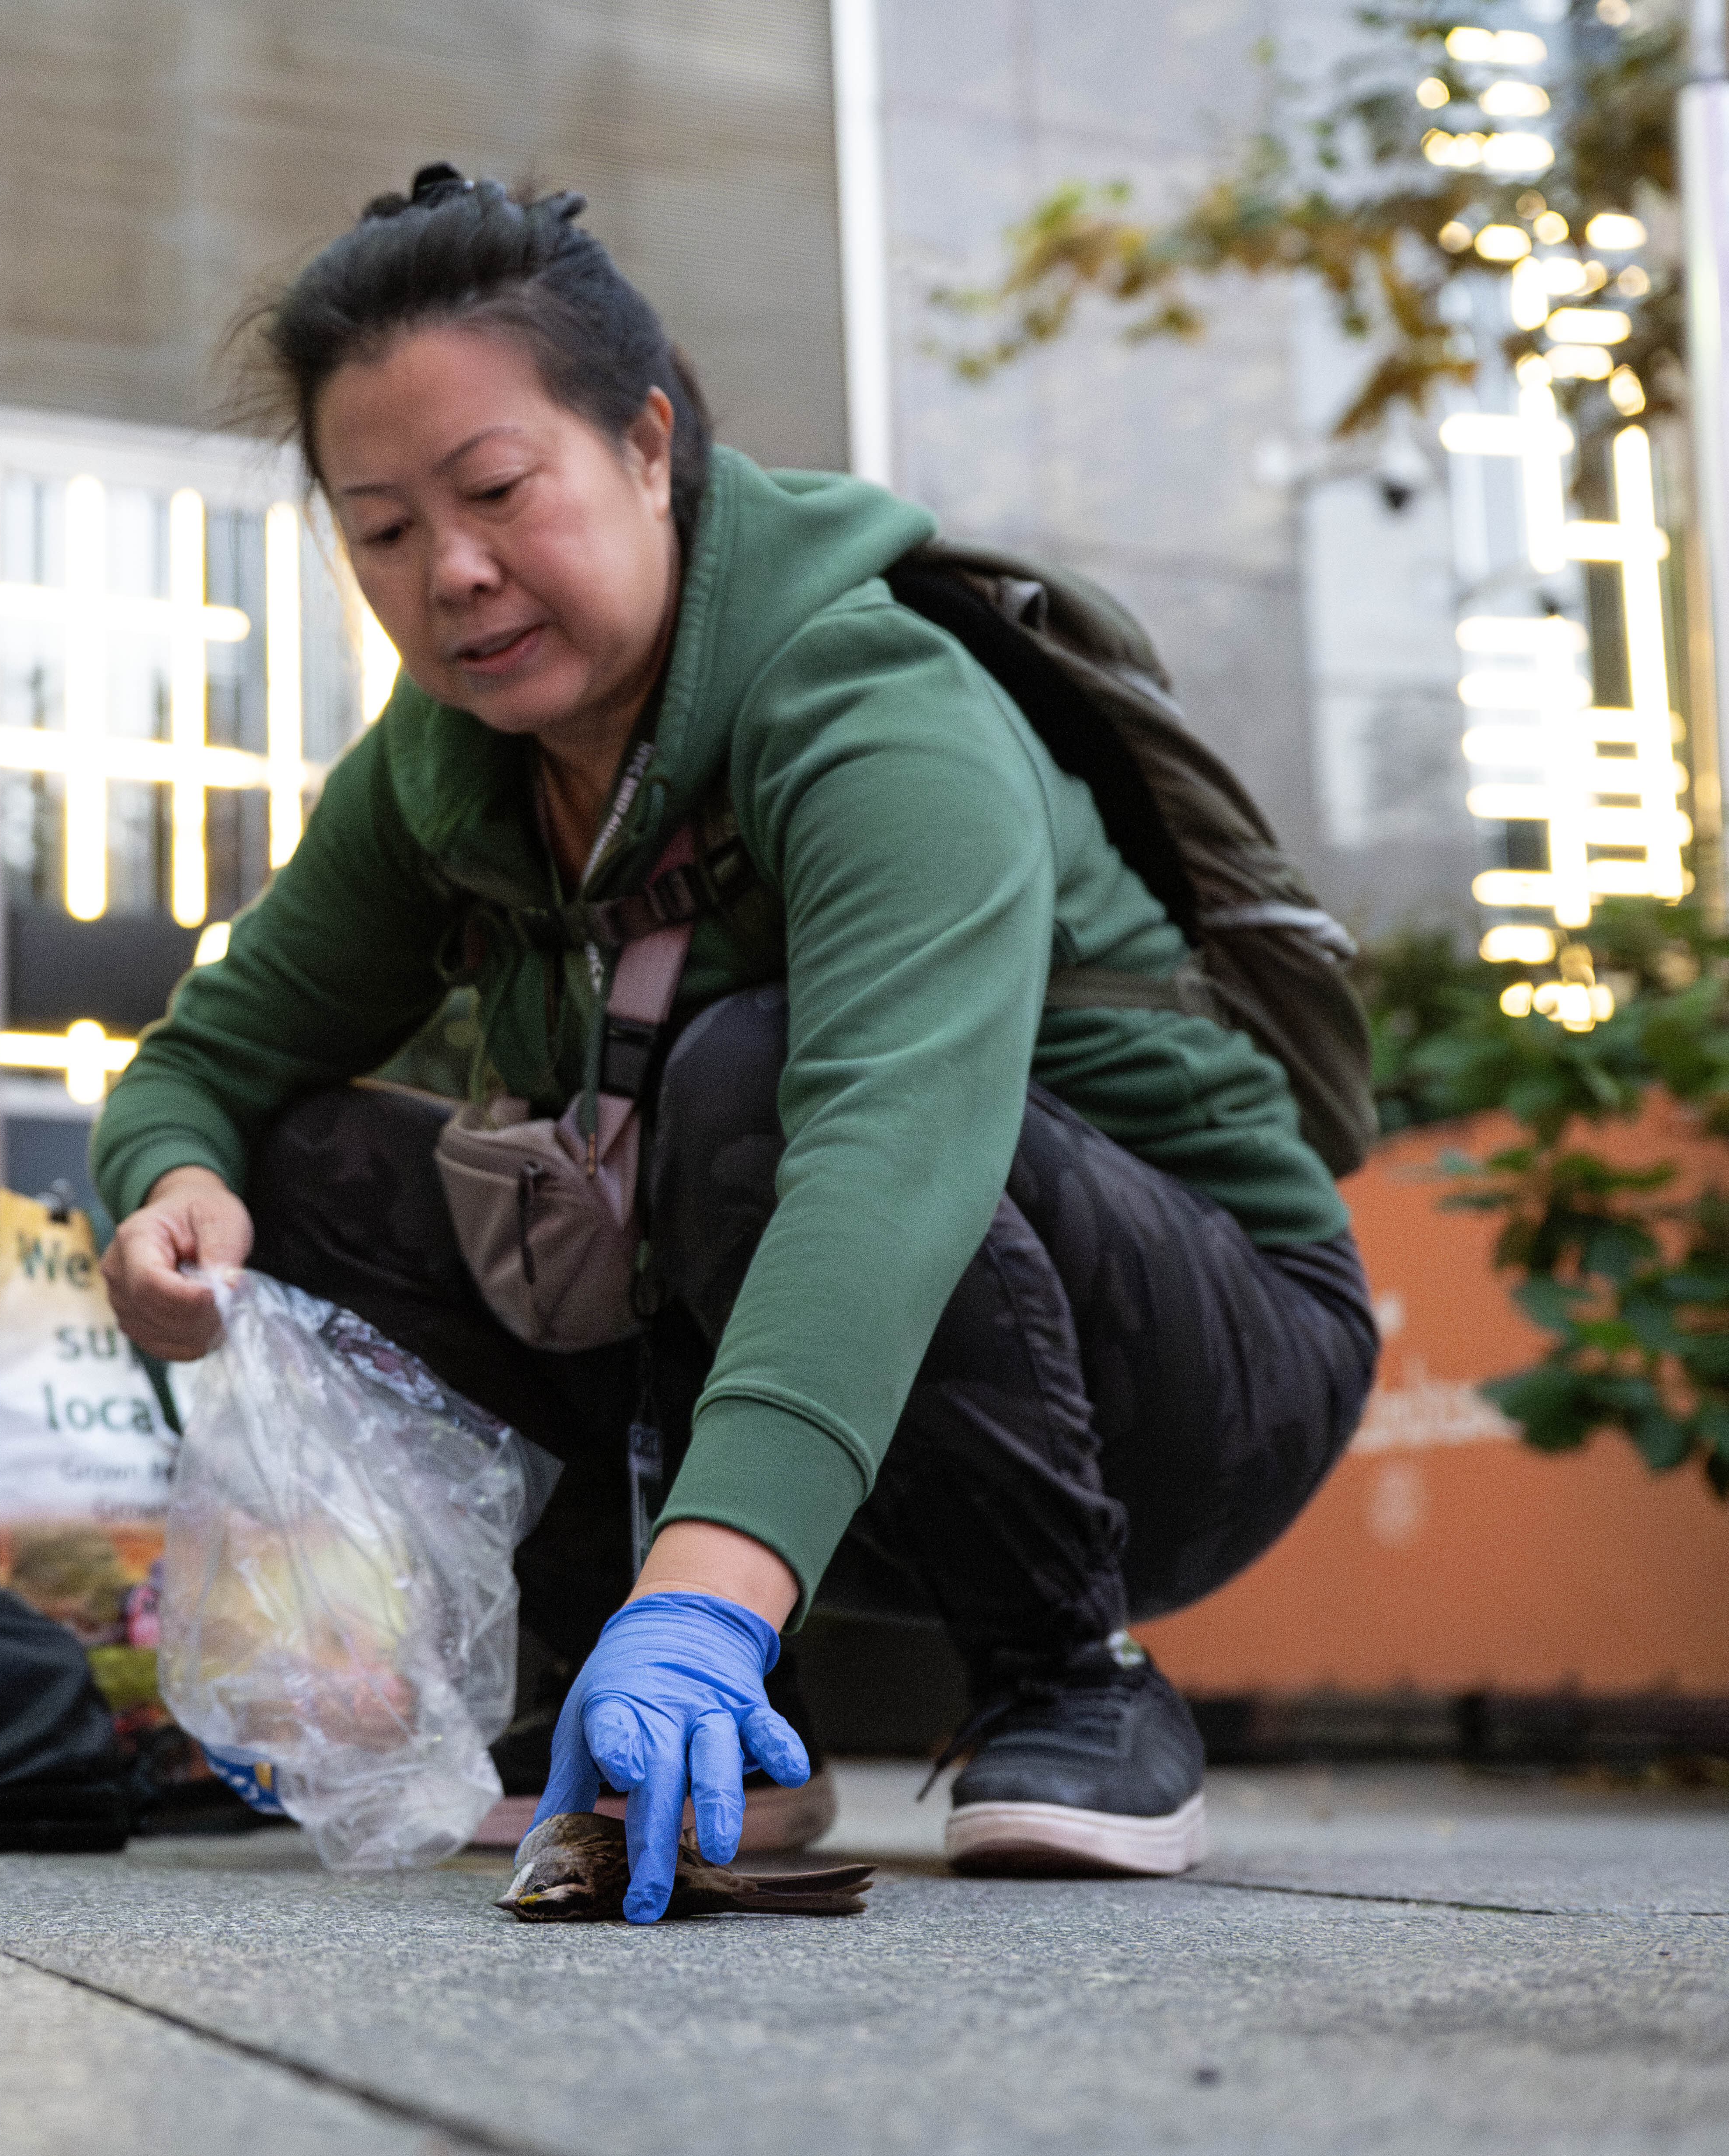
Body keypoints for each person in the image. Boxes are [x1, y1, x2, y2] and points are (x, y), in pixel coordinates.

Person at [94, 167, 1375, 1917]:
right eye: (380, 529)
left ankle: (1071, 1681)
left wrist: (694, 1596)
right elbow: (207, 1059)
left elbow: (879, 1154)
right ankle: (646, 1714)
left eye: (492, 491)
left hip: (1192, 1360)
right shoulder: (438, 772)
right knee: (309, 1159)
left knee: (748, 1068)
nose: (449, 573)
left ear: (642, 443)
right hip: (822, 1403)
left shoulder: (867, 703)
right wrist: (168, 1183)